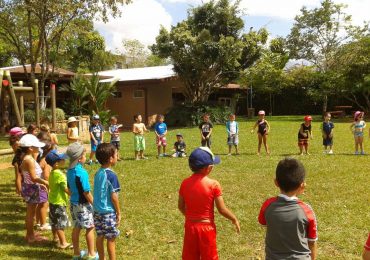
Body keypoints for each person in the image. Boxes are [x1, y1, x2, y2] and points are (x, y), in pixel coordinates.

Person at [178, 147, 240, 259]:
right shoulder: (213, 185)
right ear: (208, 168)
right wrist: (234, 218)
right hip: (207, 228)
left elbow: (181, 206)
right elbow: (222, 210)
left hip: (190, 227)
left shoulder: (184, 183)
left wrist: (191, 217)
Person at [258, 157, 318, 260]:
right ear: (302, 185)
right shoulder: (307, 211)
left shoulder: (267, 205)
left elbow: (263, 222)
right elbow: (312, 242)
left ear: (276, 182)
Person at [17, 134, 49, 243]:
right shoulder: (29, 160)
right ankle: (30, 237)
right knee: (31, 213)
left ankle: (30, 234)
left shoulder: (27, 157)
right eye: (35, 146)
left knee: (31, 212)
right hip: (32, 188)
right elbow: (34, 177)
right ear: (30, 148)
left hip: (30, 186)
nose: (38, 148)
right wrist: (45, 182)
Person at [66, 142, 96, 260]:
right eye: (84, 155)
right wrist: (95, 204)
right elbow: (86, 192)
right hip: (83, 205)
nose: (85, 156)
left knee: (77, 227)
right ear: (79, 159)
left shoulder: (69, 171)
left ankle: (76, 254)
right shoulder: (82, 173)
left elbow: (68, 188)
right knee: (90, 227)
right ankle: (92, 254)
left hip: (73, 204)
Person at [93, 143, 121, 260]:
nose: (117, 156)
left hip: (97, 211)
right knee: (111, 238)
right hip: (108, 212)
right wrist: (118, 212)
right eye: (116, 155)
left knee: (100, 236)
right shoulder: (111, 175)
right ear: (110, 159)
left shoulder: (98, 173)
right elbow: (114, 197)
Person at [45, 150, 72, 249]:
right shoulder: (59, 174)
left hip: (52, 201)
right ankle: (63, 243)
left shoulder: (53, 172)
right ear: (56, 163)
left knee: (53, 221)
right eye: (62, 159)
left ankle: (55, 237)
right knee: (60, 224)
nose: (64, 159)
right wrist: (73, 194)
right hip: (59, 202)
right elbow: (65, 189)